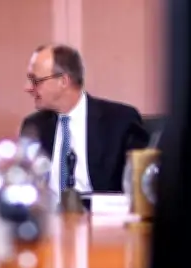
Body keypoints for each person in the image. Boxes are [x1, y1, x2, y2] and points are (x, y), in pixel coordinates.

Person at [20, 44, 150, 195]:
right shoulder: (34, 126)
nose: (27, 88)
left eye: (35, 81)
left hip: (100, 209)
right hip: (50, 210)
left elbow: (141, 189)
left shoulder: (119, 121)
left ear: (63, 81)